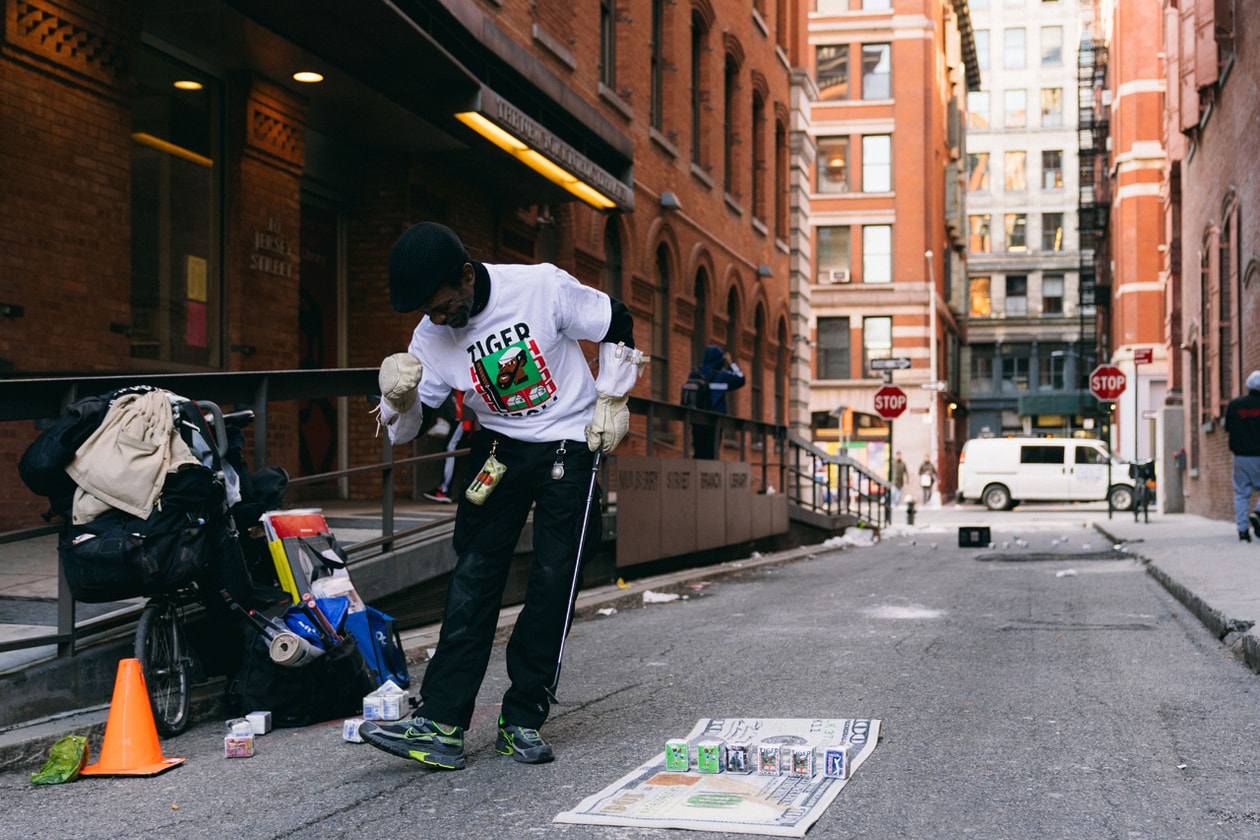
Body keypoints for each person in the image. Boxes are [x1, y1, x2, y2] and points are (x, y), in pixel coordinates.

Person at [364, 221, 644, 770]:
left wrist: (612, 397)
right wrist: (397, 400)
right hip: (498, 447)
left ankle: (522, 718)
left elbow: (618, 321)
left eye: (444, 307)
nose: (439, 320)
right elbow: (412, 428)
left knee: (554, 577)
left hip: (569, 439)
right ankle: (441, 723)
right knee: (474, 572)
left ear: (466, 275)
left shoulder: (541, 288)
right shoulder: (429, 335)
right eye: (429, 314)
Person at [688, 345, 745, 459]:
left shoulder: (695, 373)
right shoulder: (721, 376)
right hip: (714, 422)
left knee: (699, 453)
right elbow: (741, 379)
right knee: (711, 455)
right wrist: (731, 363)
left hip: (696, 421)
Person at [1225, 370, 1260, 542]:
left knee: (1241, 493)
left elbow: (1228, 428)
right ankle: (1258, 513)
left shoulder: (1234, 405)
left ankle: (1243, 531)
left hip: (1240, 457)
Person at [423, 392, 474, 504]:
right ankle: (446, 489)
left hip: (463, 419)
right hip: (460, 418)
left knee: (451, 450)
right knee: (452, 451)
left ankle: (444, 490)